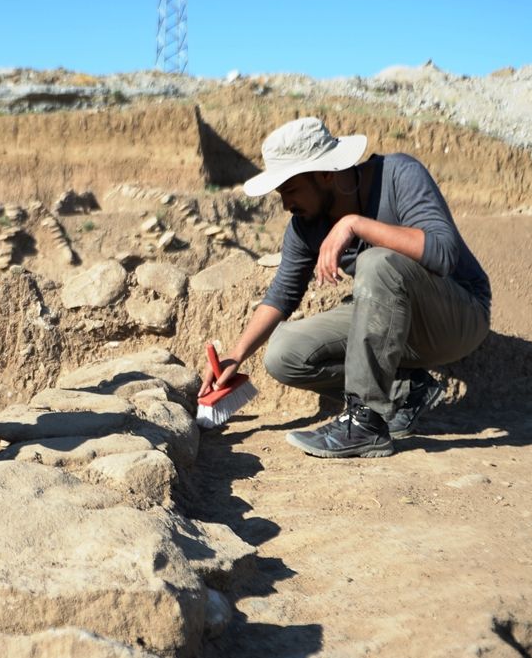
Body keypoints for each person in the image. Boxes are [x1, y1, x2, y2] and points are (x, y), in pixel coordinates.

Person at [199, 117, 491, 458]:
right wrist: (235, 356)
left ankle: (365, 423)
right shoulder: (305, 225)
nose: (285, 204)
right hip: (392, 323)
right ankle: (406, 389)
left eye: (290, 190)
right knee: (284, 354)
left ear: (326, 174)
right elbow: (282, 295)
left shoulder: (398, 174)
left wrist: (355, 224)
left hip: (456, 316)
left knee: (377, 262)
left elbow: (442, 254)